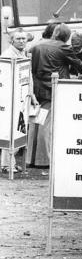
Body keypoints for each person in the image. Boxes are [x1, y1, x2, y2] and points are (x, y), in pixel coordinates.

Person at [29, 23, 82, 167]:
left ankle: (31, 158)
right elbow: (80, 65)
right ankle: (44, 160)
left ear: (55, 33)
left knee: (35, 122)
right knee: (47, 125)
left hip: (36, 89)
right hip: (53, 89)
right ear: (66, 37)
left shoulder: (37, 45)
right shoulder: (63, 47)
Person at [1, 29, 38, 174]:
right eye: (18, 39)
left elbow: (27, 77)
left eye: (24, 38)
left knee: (19, 130)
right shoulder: (7, 56)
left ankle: (10, 163)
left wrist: (32, 95)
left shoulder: (23, 54)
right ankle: (6, 164)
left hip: (22, 98)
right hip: (11, 99)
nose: (22, 41)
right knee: (10, 131)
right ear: (12, 41)